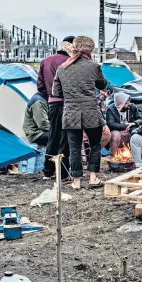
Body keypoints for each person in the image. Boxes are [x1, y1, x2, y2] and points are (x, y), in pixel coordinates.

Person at [52, 36, 108, 189]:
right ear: (90, 49)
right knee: (95, 145)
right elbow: (102, 84)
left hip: (70, 112)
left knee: (74, 147)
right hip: (91, 111)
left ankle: (76, 181)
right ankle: (93, 178)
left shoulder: (62, 68)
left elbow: (56, 92)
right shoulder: (94, 66)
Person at [39, 36, 74, 180]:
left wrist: (50, 95)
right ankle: (63, 173)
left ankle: (48, 170)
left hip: (52, 103)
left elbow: (40, 86)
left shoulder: (45, 61)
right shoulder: (71, 62)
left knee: (53, 136)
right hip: (68, 104)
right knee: (65, 137)